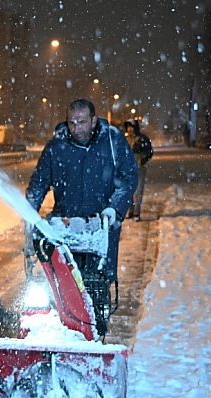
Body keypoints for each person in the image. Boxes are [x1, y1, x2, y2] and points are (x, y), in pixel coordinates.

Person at [26, 98, 138, 282]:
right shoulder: (56, 146)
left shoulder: (112, 141)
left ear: (94, 120)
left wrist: (114, 208)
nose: (77, 129)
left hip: (102, 228)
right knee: (64, 284)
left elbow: (129, 177)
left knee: (98, 284)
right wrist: (30, 218)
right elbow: (38, 184)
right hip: (66, 227)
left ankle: (100, 307)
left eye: (82, 122)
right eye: (72, 123)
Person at [124, 120, 154, 219]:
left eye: (131, 127)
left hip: (139, 169)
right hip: (127, 171)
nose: (130, 129)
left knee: (138, 192)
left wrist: (142, 160)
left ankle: (137, 213)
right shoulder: (124, 139)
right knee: (129, 193)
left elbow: (149, 151)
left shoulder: (142, 139)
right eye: (128, 127)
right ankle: (130, 211)